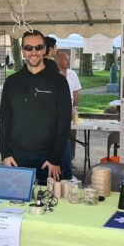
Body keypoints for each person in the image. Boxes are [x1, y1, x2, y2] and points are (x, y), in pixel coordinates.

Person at [0, 30, 71, 184]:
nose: (34, 52)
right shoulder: (12, 82)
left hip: (49, 160)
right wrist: (5, 154)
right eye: (28, 48)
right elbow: (4, 120)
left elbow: (64, 123)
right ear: (23, 50)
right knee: (16, 204)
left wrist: (55, 158)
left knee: (52, 206)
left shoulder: (59, 82)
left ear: (45, 50)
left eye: (38, 47)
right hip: (17, 158)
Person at [56, 51, 82, 179]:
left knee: (71, 135)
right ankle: (64, 169)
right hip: (58, 110)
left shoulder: (72, 74)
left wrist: (75, 106)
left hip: (70, 108)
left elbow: (77, 91)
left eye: (68, 59)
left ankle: (70, 160)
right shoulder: (54, 73)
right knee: (63, 139)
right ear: (59, 60)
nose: (68, 61)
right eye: (65, 59)